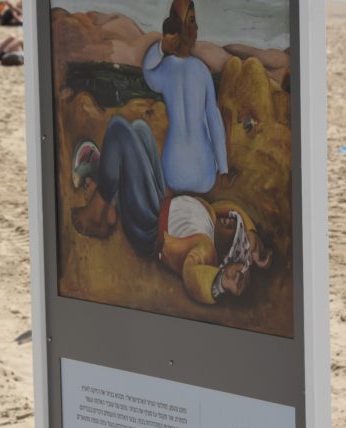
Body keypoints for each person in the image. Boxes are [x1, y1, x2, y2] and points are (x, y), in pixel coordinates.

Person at [69, 119, 271, 304]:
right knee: (141, 129)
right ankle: (113, 202)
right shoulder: (212, 217)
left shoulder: (205, 249)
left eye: (232, 231)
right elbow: (232, 208)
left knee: (118, 130)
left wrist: (220, 282)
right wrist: (252, 236)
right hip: (157, 203)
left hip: (149, 228)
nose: (230, 221)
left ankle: (96, 215)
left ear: (225, 251)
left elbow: (192, 278)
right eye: (234, 223)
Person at [142, 0, 229, 195]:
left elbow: (147, 71)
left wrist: (160, 49)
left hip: (172, 172)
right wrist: (223, 168)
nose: (196, 27)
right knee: (212, 116)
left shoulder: (164, 70)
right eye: (191, 21)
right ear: (178, 29)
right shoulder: (202, 70)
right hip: (204, 174)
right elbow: (213, 121)